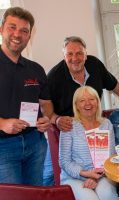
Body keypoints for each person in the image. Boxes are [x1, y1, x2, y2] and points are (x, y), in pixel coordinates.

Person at [44, 36, 119, 185]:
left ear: (85, 54)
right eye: (70, 54)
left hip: (94, 125)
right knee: (49, 175)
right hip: (67, 128)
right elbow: (45, 105)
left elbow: (114, 85)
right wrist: (56, 120)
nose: (75, 58)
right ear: (64, 56)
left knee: (98, 163)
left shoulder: (95, 65)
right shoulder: (54, 76)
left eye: (79, 53)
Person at [0, 7, 52, 185]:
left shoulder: (36, 69)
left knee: (36, 194)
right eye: (12, 27)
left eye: (24, 30)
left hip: (35, 144)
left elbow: (46, 103)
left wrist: (48, 118)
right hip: (3, 147)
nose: (17, 34)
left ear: (29, 36)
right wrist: (2, 123)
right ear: (1, 29)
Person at [59, 86, 119, 200]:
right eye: (82, 100)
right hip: (74, 177)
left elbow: (111, 156)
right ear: (76, 105)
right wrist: (87, 174)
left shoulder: (106, 124)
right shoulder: (69, 125)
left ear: (97, 101)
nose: (88, 104)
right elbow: (64, 162)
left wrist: (95, 177)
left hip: (102, 175)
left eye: (92, 99)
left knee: (107, 194)